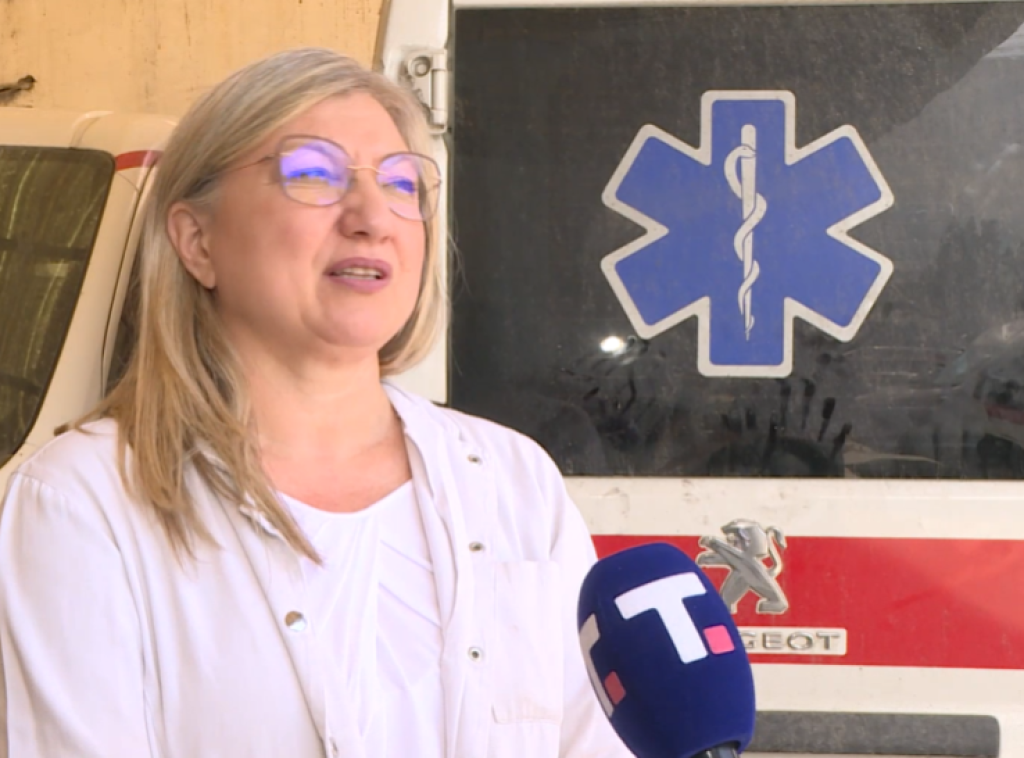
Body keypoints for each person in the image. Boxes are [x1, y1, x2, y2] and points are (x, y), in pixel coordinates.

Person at [0, 48, 630, 758]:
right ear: (197, 241)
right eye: (312, 174)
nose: (373, 217)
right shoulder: (82, 501)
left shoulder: (515, 482)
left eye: (401, 183)